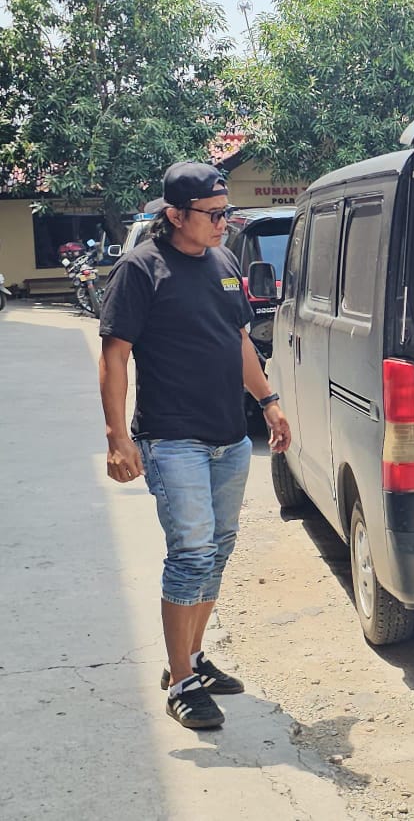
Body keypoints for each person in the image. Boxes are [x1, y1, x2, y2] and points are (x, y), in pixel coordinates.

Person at [98, 162, 293, 730]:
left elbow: (238, 340)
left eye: (226, 212)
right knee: (190, 553)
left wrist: (269, 401)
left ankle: (194, 657)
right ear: (176, 214)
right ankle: (180, 680)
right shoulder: (141, 269)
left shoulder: (224, 261)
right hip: (171, 437)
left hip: (229, 437)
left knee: (218, 550)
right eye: (213, 214)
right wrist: (116, 437)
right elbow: (114, 357)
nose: (223, 222)